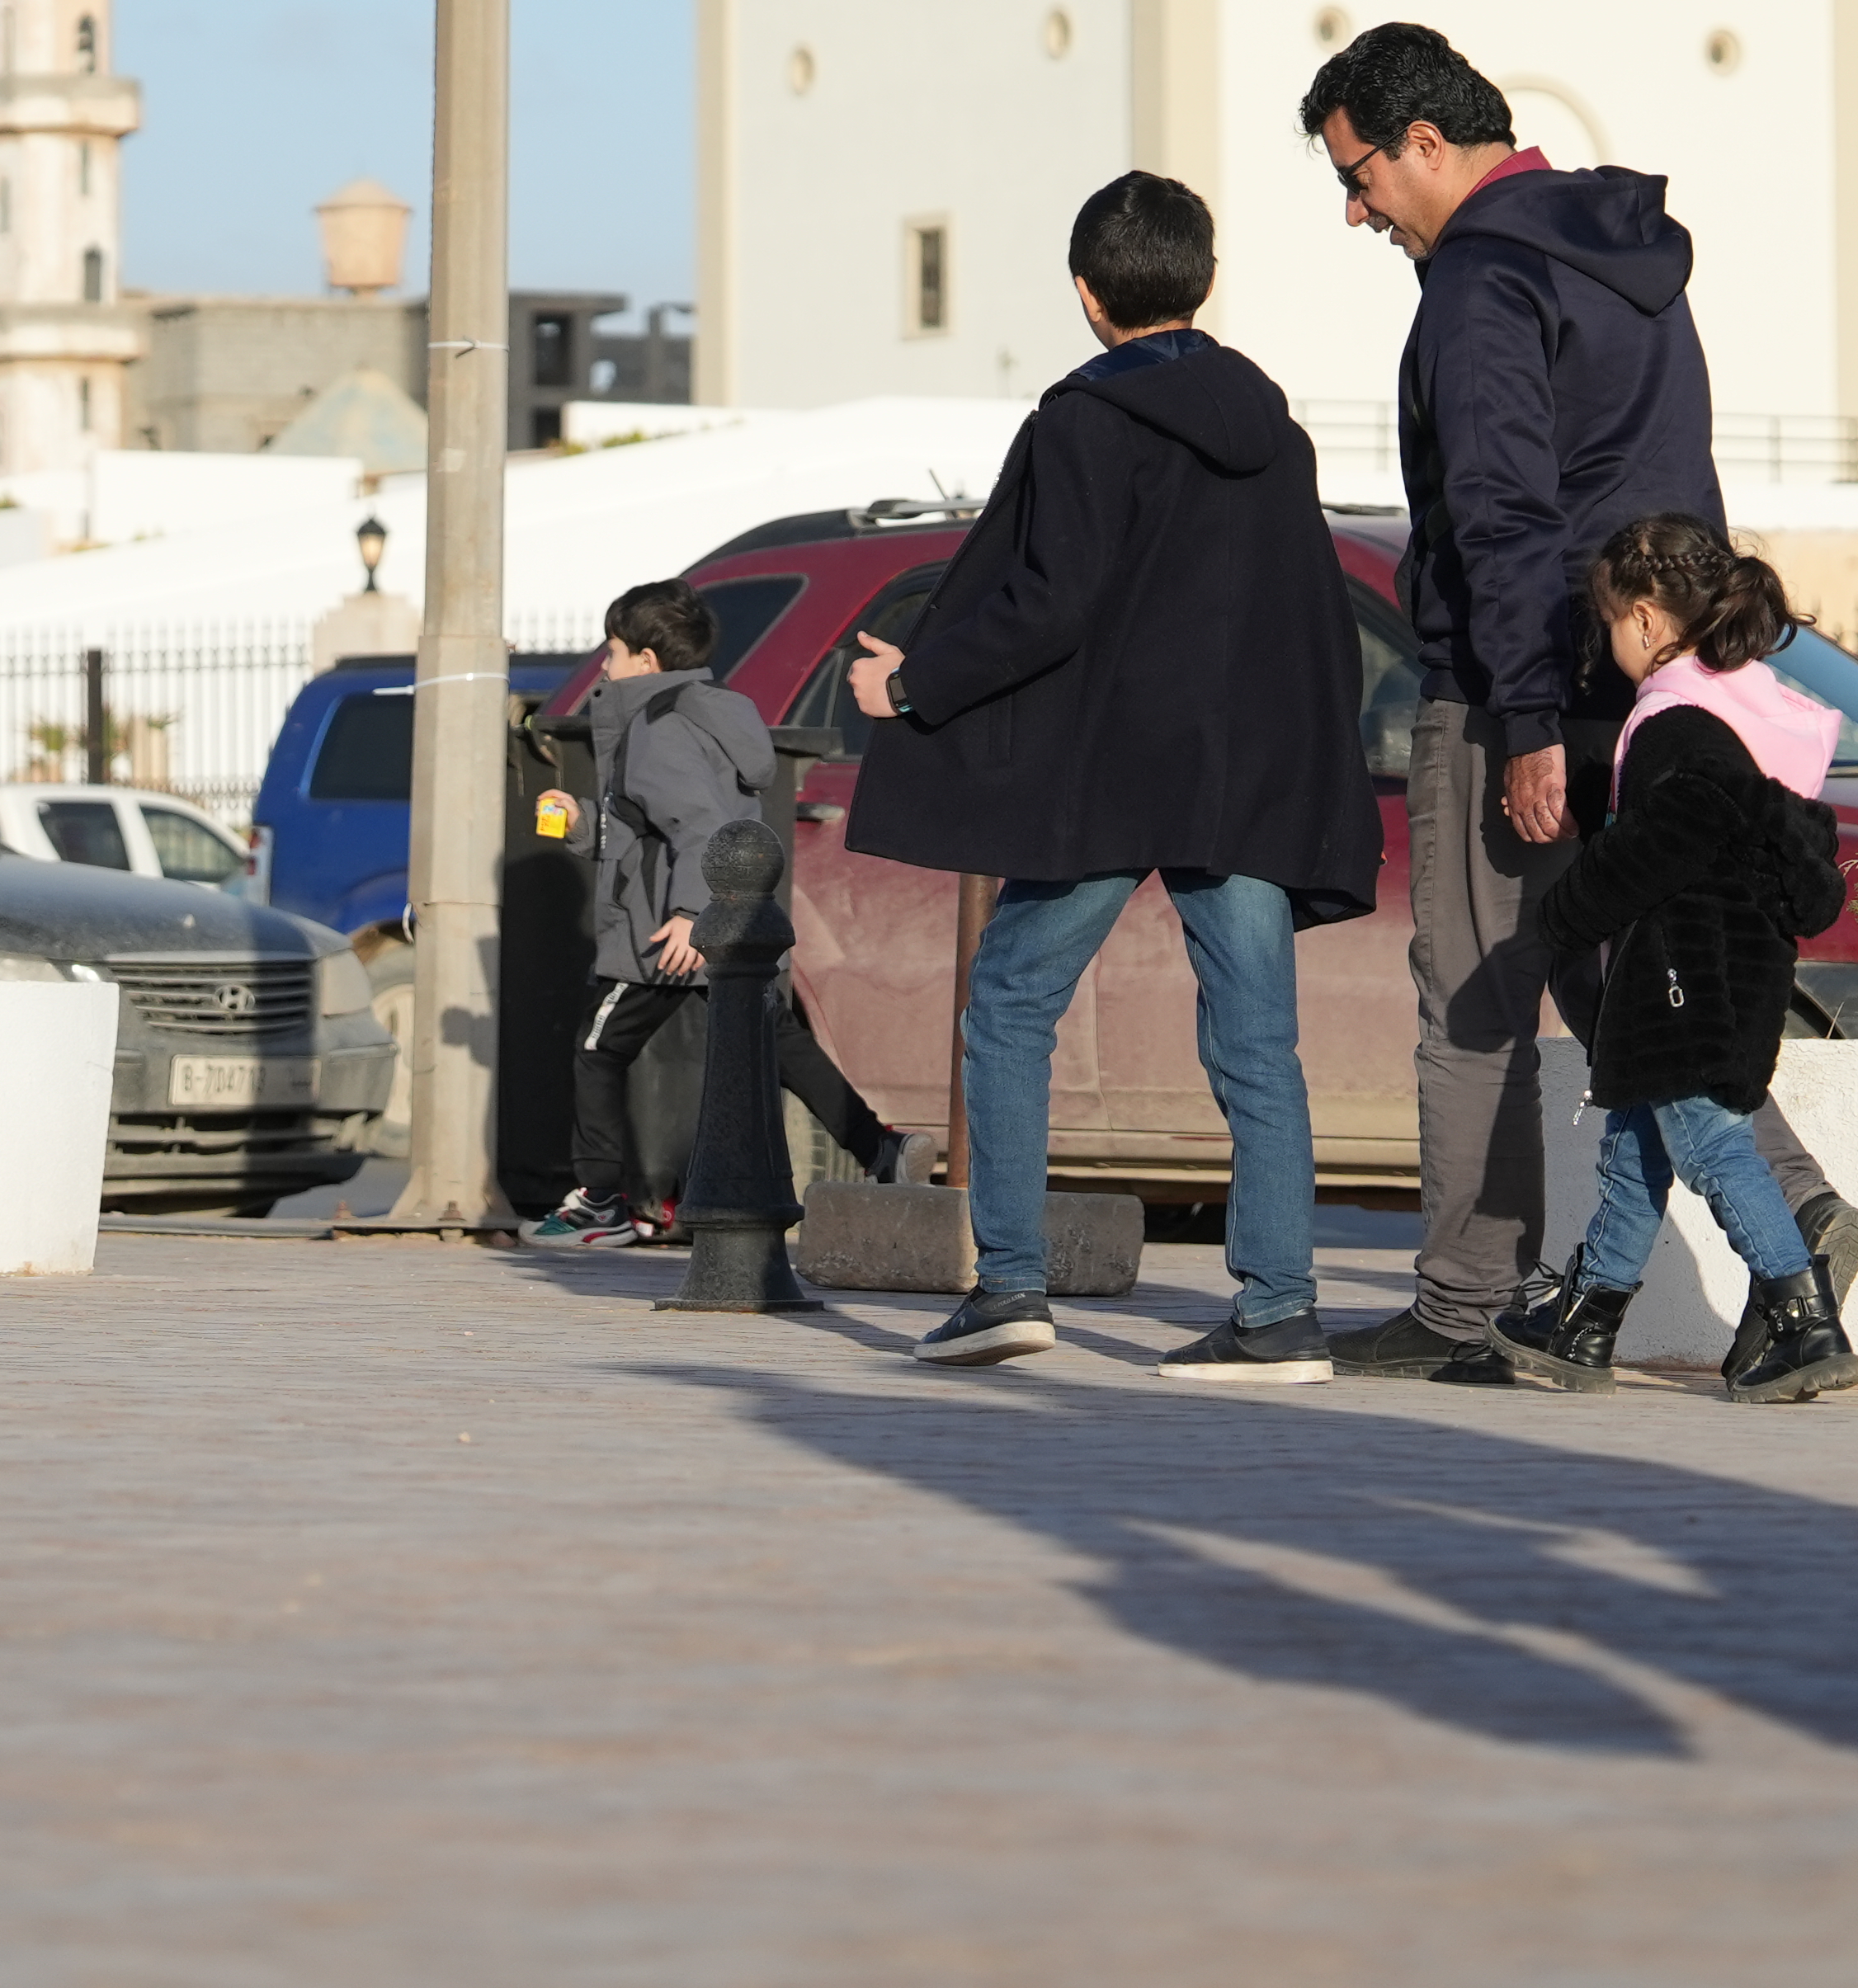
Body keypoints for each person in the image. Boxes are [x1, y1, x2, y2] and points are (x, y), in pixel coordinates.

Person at [1295, 21, 1858, 1384]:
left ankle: (1461, 1302)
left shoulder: (1479, 279)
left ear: (1425, 141)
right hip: (1655, 679)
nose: (1356, 211)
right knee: (1623, 974)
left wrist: (1528, 718)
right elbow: (1675, 484)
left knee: (1475, 988)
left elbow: (1500, 511)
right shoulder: (1630, 257)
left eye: (1359, 177)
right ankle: (1793, 1209)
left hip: (1523, 683)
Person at [839, 171, 1375, 1380]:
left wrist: (914, 683)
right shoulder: (1275, 434)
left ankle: (1010, 1287)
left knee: (1009, 1004)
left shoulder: (1085, 420)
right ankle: (1281, 1310)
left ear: (1087, 293)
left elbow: (1049, 602)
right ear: (1206, 281)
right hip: (1241, 781)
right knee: (1257, 1043)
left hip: (1112, 779)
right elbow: (1313, 611)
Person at [1486, 516, 1858, 1405]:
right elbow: (1715, 823)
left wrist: (1568, 912)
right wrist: (1600, 796)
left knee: (1713, 1148)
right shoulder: (1744, 711)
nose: (1607, 644)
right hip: (1716, 976)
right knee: (1633, 1150)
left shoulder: (1674, 721)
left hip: (1681, 979)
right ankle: (1585, 1322)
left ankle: (1801, 1320)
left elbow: (1677, 828)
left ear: (1647, 619)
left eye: (1609, 624)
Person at [525, 579, 902, 1253]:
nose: (605, 666)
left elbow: (696, 825)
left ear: (645, 659)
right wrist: (583, 824)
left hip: (666, 931)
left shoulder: (657, 726)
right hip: (735, 922)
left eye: (612, 651)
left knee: (597, 1049)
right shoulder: (709, 712)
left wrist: (689, 914)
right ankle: (882, 1151)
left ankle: (600, 1203)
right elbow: (654, 825)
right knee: (778, 1041)